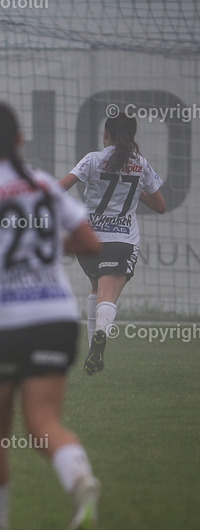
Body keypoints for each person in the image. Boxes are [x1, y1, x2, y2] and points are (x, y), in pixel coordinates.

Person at [0, 103, 103, 530]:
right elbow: (89, 244)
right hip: (55, 317)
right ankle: (80, 480)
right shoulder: (46, 186)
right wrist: (50, 243)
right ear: (20, 140)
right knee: (44, 422)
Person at [58, 112, 166, 375]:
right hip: (122, 241)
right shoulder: (141, 164)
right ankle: (100, 338)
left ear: (106, 133)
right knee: (107, 296)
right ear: (132, 135)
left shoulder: (93, 159)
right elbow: (160, 206)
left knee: (96, 289)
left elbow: (60, 187)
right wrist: (133, 188)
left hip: (89, 240)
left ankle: (93, 355)